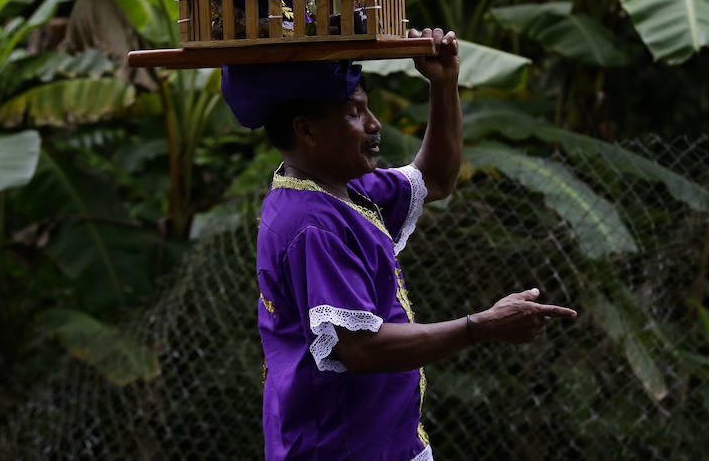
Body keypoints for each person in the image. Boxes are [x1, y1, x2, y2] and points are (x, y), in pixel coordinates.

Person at [222, 28, 576, 461]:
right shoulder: (314, 226)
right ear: (306, 131)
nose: (374, 125)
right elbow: (361, 348)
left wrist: (443, 84)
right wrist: (481, 326)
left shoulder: (343, 188)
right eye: (355, 113)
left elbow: (437, 179)